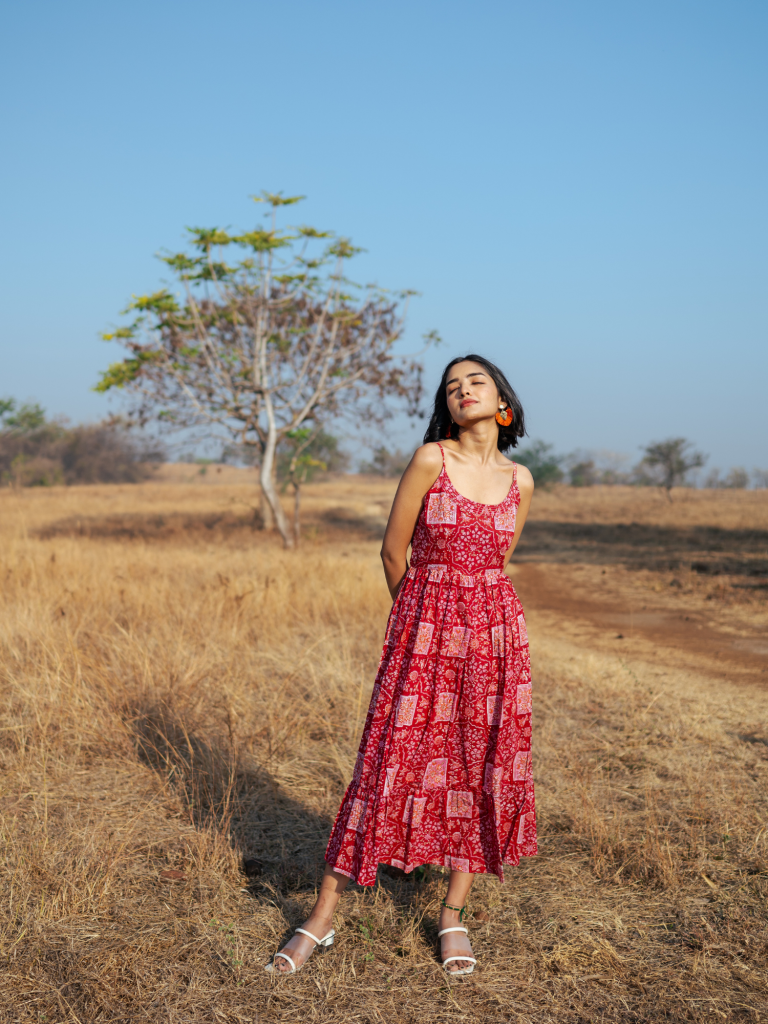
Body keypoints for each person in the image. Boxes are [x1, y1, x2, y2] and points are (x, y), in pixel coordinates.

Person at [265, 355, 537, 977]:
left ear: (503, 402)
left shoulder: (521, 480)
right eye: (451, 387)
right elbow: (393, 551)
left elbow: (501, 560)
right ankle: (322, 916)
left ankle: (451, 914)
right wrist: (423, 624)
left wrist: (472, 620)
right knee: (385, 761)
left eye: (476, 382)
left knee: (479, 761)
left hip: (495, 640)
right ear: (445, 406)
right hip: (424, 633)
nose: (463, 391)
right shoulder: (430, 460)